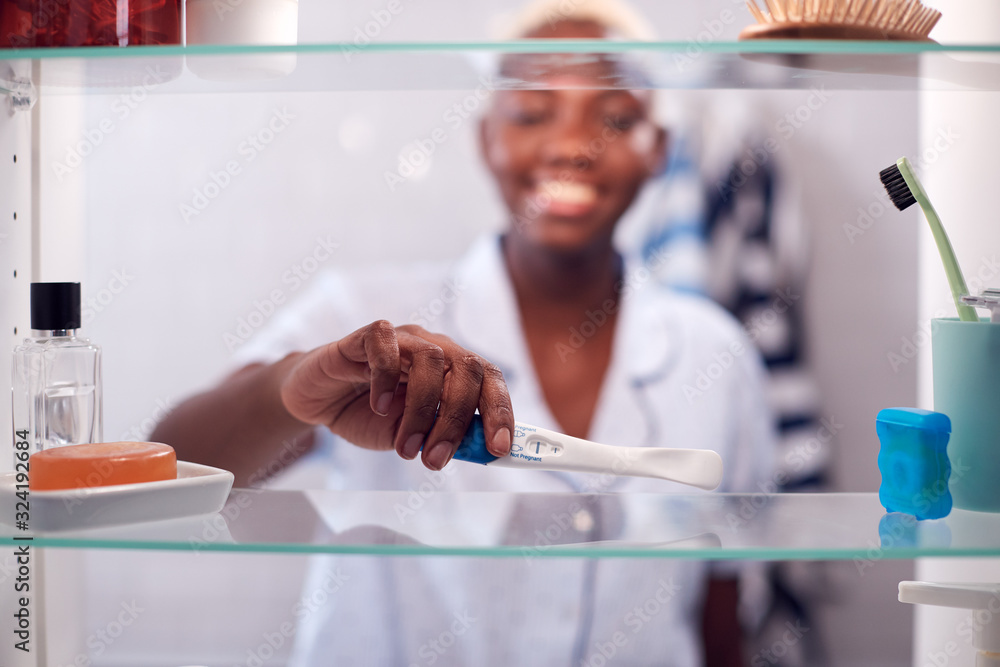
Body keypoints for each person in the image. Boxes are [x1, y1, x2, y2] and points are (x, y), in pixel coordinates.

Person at [152, 7, 775, 666]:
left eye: (616, 117)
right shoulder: (362, 317)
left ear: (660, 149)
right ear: (485, 139)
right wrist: (287, 389)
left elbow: (720, 614)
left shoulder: (717, 357)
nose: (572, 144)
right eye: (533, 112)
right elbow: (168, 470)